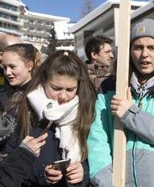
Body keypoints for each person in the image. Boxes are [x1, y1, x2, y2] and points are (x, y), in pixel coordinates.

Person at [87, 19, 154, 187]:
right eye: (138, 47)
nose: (144, 54)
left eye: (152, 48)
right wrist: (106, 182)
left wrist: (132, 115)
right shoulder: (110, 89)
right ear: (129, 52)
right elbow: (97, 140)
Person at [6, 50, 96, 186]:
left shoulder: (87, 111)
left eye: (70, 89)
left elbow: (99, 156)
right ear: (44, 82)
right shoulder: (22, 109)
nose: (63, 96)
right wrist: (42, 173)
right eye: (56, 88)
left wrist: (84, 171)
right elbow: (8, 164)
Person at [0, 44, 41, 112]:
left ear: (29, 66)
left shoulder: (37, 96)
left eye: (12, 67)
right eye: (5, 67)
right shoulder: (9, 87)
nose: (7, 72)